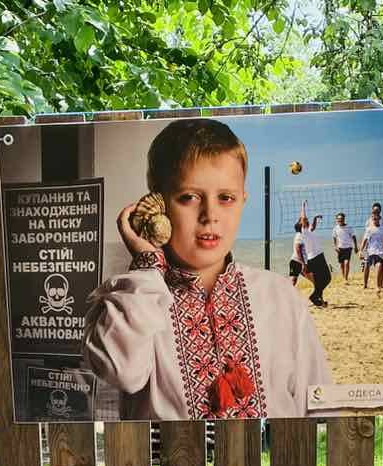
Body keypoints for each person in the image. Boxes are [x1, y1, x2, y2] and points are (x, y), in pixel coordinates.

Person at [83, 117, 333, 419]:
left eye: (226, 198)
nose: (210, 215)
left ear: (242, 201)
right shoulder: (134, 299)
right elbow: (121, 371)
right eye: (189, 197)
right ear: (157, 202)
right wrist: (147, 267)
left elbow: (319, 404)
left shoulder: (279, 296)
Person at [296, 200, 332, 307]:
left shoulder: (309, 231)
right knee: (326, 278)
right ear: (301, 224)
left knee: (323, 280)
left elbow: (313, 226)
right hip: (315, 258)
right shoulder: (303, 232)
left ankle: (317, 299)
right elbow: (303, 218)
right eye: (305, 221)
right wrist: (303, 206)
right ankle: (315, 297)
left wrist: (315, 218)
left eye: (307, 220)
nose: (306, 221)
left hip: (319, 257)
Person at [361, 204, 383, 290]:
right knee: (367, 265)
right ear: (372, 210)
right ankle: (365, 284)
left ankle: (379, 285)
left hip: (380, 250)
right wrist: (362, 250)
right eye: (374, 210)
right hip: (370, 248)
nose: (376, 212)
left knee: (380, 266)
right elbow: (366, 237)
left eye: (377, 210)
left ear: (380, 211)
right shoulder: (368, 222)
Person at [332, 212, 357, 284]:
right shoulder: (335, 228)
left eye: (341, 219)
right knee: (341, 264)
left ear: (344, 219)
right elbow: (334, 237)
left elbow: (354, 237)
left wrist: (355, 246)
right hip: (340, 248)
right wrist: (335, 246)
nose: (340, 220)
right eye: (339, 219)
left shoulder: (349, 227)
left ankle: (346, 278)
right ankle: (344, 277)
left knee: (346, 262)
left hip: (348, 247)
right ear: (337, 220)